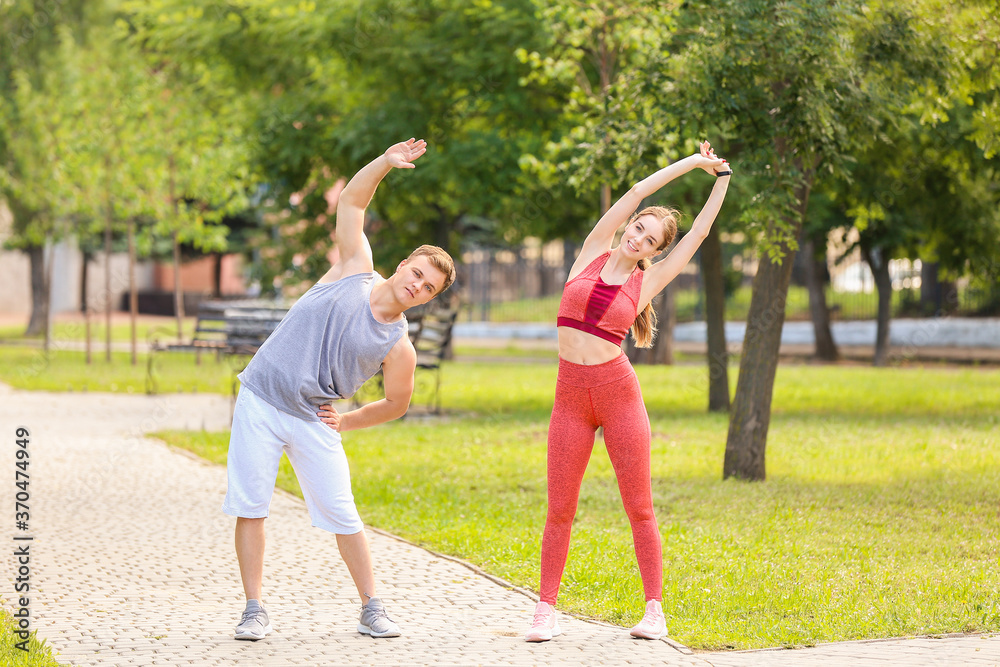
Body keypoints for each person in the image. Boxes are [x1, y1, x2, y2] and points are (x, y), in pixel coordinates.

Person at [222, 138, 456, 641]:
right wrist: (385, 164)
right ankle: (253, 608)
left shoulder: (399, 347)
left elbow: (398, 403)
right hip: (261, 398)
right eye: (417, 273)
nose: (417, 285)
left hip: (313, 418)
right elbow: (352, 201)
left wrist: (346, 420)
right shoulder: (354, 269)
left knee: (342, 513)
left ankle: (372, 607)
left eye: (428, 287)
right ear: (403, 265)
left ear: (429, 299)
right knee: (251, 504)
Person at [524, 141, 732, 642]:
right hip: (570, 398)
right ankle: (545, 610)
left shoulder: (649, 282)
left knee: (639, 505)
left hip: (618, 396)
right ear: (627, 226)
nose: (639, 237)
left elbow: (700, 232)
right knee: (560, 508)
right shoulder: (591, 253)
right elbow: (639, 189)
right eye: (638, 227)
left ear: (656, 251)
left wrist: (721, 178)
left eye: (651, 238)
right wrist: (693, 163)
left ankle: (654, 611)